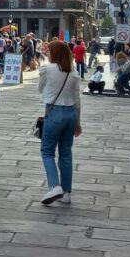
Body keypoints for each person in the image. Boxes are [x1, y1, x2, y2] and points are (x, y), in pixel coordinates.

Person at [38, 41, 82, 205]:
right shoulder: (74, 72)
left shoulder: (47, 69)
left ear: (54, 53)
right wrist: (78, 122)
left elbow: (40, 90)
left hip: (54, 111)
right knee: (65, 153)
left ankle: (54, 186)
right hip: (70, 113)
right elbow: (77, 100)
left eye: (49, 51)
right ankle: (66, 192)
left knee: (47, 151)